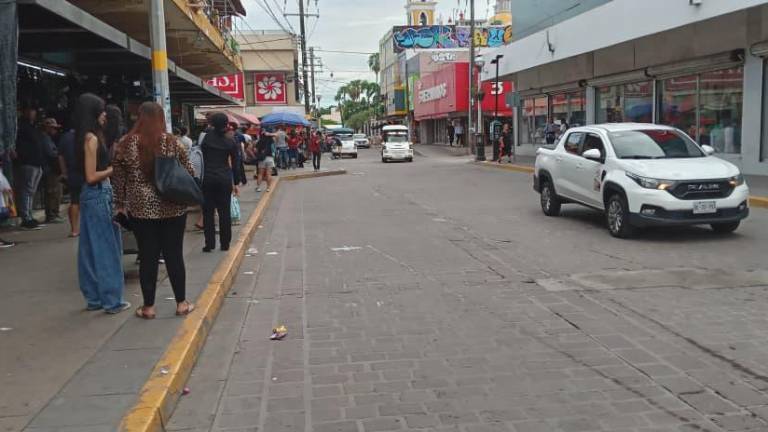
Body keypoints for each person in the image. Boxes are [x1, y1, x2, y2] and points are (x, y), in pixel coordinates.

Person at [112, 101, 194, 319]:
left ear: (139, 118)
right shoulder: (172, 142)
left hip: (141, 209)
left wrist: (119, 204)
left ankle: (148, 307)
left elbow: (118, 179)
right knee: (174, 254)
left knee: (147, 256)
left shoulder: (125, 143)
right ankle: (182, 303)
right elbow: (190, 170)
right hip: (173, 206)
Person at [74, 93, 130, 314]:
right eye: (102, 110)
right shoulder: (92, 139)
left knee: (88, 250)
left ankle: (94, 298)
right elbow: (91, 175)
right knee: (108, 249)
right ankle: (112, 300)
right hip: (98, 193)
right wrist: (113, 170)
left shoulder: (81, 137)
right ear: (94, 113)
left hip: (88, 196)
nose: (105, 114)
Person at [200, 112, 240, 253]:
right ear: (226, 124)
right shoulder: (230, 141)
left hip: (208, 178)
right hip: (224, 179)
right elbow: (235, 164)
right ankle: (225, 244)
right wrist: (236, 181)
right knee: (224, 212)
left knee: (208, 212)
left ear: (211, 123)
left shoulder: (205, 139)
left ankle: (209, 243)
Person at [15, 107, 46, 229]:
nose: (33, 113)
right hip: (28, 162)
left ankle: (28, 215)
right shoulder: (22, 127)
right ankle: (26, 217)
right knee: (27, 190)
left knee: (31, 191)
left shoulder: (33, 128)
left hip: (36, 162)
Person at [58, 127, 83, 237]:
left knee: (74, 200)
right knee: (85, 201)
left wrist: (64, 172)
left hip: (72, 172)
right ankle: (84, 228)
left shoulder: (65, 137)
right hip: (85, 172)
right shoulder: (86, 135)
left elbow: (60, 156)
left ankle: (74, 229)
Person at [41, 118, 64, 224]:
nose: (55, 130)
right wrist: (59, 154)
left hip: (54, 170)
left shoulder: (49, 139)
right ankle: (51, 215)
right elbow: (51, 154)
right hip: (50, 170)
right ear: (47, 128)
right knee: (52, 192)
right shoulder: (44, 139)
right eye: (53, 128)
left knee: (57, 192)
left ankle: (54, 213)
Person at [256, 127, 276, 192]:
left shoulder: (259, 141)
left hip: (262, 158)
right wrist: (269, 134)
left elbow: (256, 149)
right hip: (269, 158)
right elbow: (276, 135)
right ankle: (268, 188)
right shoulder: (270, 140)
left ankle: (258, 187)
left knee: (260, 174)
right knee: (268, 174)